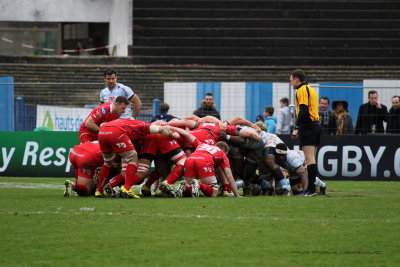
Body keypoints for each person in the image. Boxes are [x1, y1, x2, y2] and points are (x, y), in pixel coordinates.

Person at [96, 119, 178, 198]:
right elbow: (163, 130)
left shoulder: (135, 125)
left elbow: (103, 125)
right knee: (138, 167)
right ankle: (127, 188)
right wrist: (173, 133)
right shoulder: (145, 127)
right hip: (131, 145)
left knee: (110, 164)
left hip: (105, 133)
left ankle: (101, 189)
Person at [170, 126, 240, 198]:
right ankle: (199, 185)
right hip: (204, 161)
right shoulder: (222, 154)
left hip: (190, 159)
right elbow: (229, 176)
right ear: (224, 151)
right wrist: (236, 195)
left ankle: (185, 186)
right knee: (214, 193)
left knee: (189, 190)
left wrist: (172, 127)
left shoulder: (201, 144)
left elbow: (187, 134)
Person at [290, 69, 321, 196]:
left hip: (308, 126)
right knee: (312, 158)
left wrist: (297, 127)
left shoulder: (301, 90)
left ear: (297, 80)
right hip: (315, 126)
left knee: (309, 159)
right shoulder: (311, 89)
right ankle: (311, 189)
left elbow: (303, 109)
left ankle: (311, 190)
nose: (291, 83)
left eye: (291, 80)